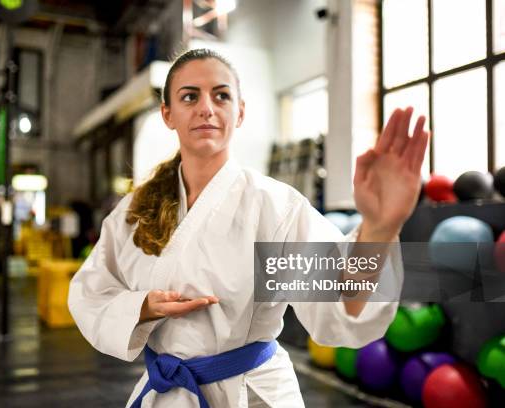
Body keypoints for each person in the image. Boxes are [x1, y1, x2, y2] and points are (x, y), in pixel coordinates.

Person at [68, 48, 429, 407]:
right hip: (168, 393)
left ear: (239, 112)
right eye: (189, 96)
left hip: (250, 394)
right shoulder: (135, 211)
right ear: (168, 114)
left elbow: (339, 300)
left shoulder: (273, 207)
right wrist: (143, 306)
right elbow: (90, 291)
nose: (206, 108)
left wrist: (380, 229)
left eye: (221, 95)